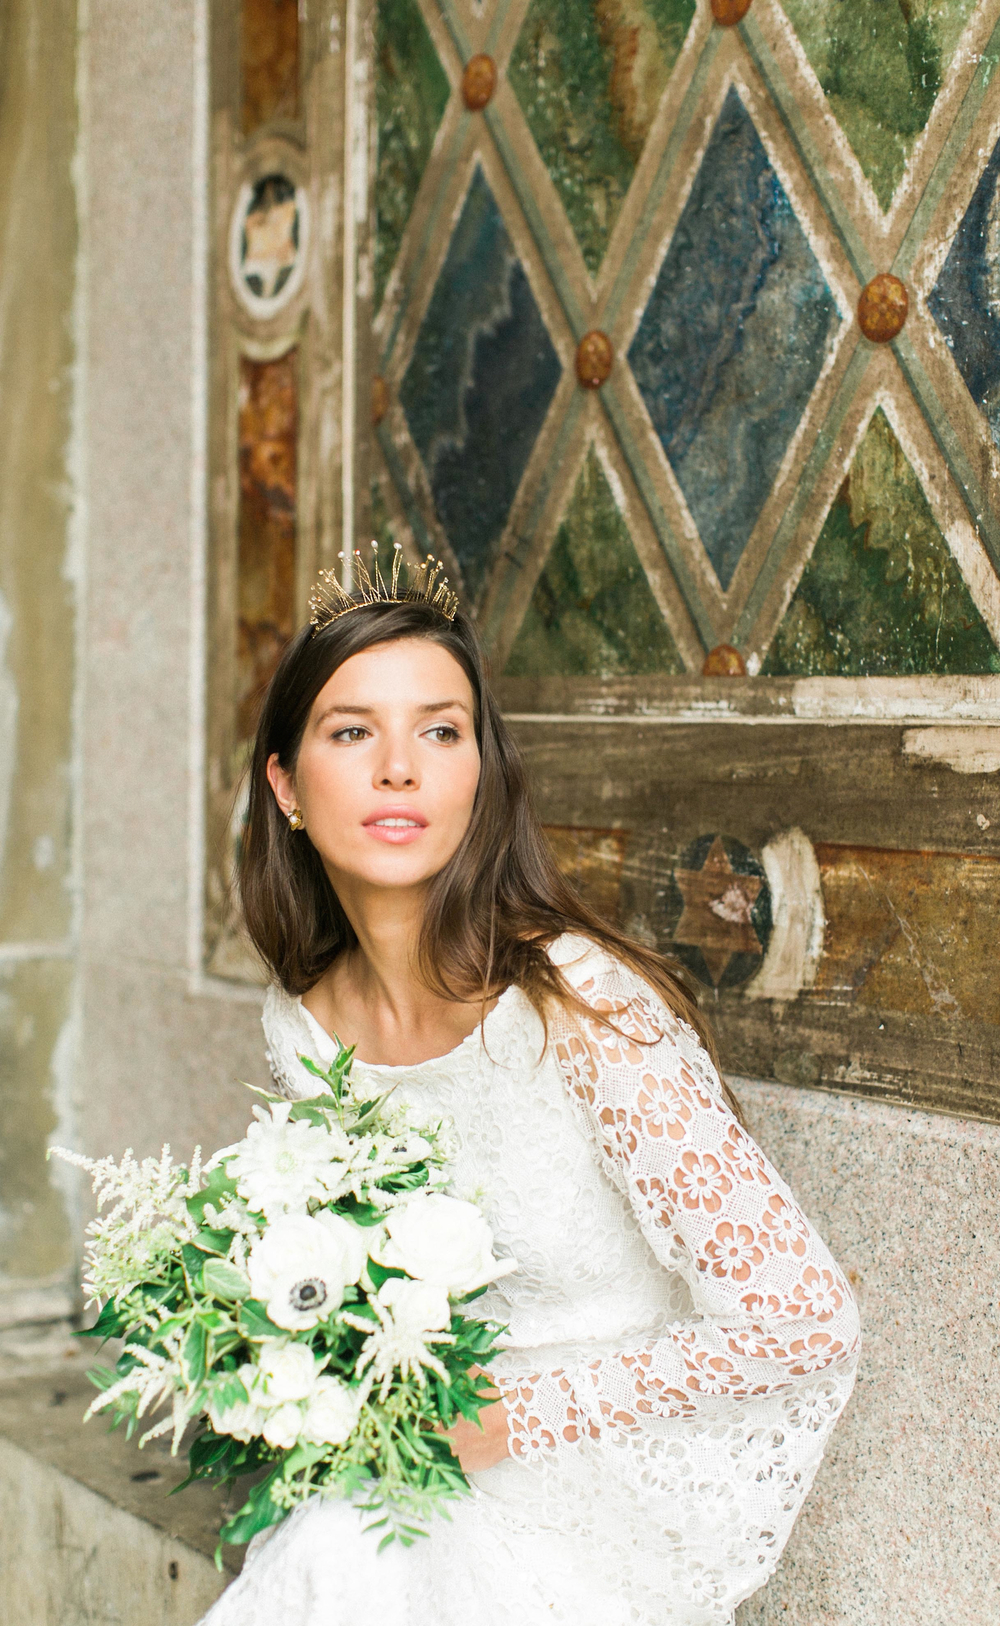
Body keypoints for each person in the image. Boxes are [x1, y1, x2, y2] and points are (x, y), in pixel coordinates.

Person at [200, 548, 860, 1626]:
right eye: (352, 730)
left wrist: (514, 1418)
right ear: (285, 786)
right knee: (335, 1553)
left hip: (599, 1483)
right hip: (420, 1469)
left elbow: (804, 1318)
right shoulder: (303, 1023)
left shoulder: (578, 1006)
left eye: (441, 730)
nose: (399, 767)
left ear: (481, 776)